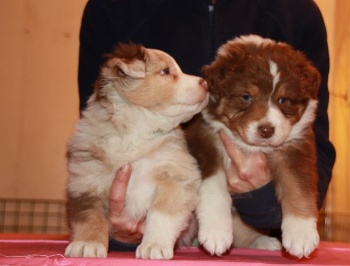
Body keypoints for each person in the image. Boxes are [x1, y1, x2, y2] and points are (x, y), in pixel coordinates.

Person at [78, 0, 336, 251]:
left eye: (282, 101)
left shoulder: (297, 12)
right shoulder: (111, 7)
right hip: (141, 229)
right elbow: (99, 129)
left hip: (260, 243)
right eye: (246, 98)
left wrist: (266, 201)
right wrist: (113, 225)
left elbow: (317, 151)